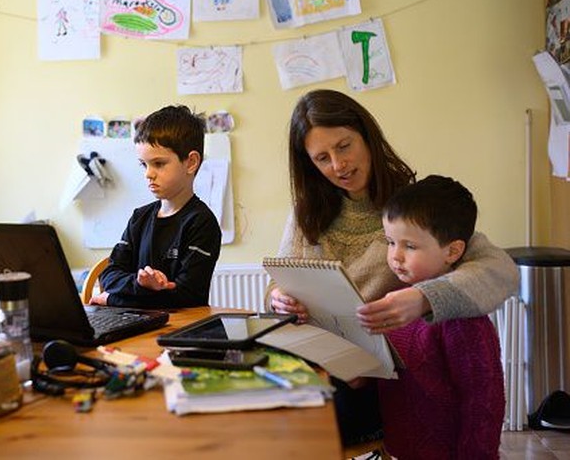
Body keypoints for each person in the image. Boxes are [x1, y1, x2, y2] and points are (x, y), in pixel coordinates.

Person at [265, 89, 517, 445]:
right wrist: (278, 298)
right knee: (250, 406)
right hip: (320, 360)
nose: (338, 165)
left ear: (367, 137)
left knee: (292, 431)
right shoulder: (307, 214)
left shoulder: (411, 207)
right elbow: (279, 282)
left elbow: (500, 270)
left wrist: (423, 298)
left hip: (382, 383)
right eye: (322, 158)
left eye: (344, 146)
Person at [379, 175, 504, 458]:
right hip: (403, 446)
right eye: (390, 242)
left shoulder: (464, 319)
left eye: (409, 246)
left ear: (452, 251)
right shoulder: (400, 300)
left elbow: (484, 401)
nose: (395, 256)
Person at [89, 105, 222, 309]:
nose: (148, 174)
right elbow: (109, 275)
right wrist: (140, 285)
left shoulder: (202, 222)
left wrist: (113, 299)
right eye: (144, 164)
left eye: (158, 164)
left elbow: (185, 297)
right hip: (136, 325)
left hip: (182, 330)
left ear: (191, 162)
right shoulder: (139, 218)